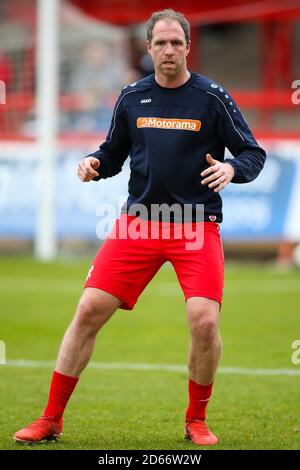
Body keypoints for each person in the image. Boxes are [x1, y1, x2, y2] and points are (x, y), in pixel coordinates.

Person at [14, 9, 266, 446]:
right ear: (148, 49)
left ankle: (196, 420)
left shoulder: (212, 97)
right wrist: (96, 164)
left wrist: (231, 169)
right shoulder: (132, 97)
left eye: (177, 43)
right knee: (88, 310)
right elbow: (113, 152)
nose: (169, 50)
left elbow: (252, 154)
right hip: (140, 225)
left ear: (188, 46)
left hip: (195, 225)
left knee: (204, 320)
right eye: (161, 43)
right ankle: (50, 418)